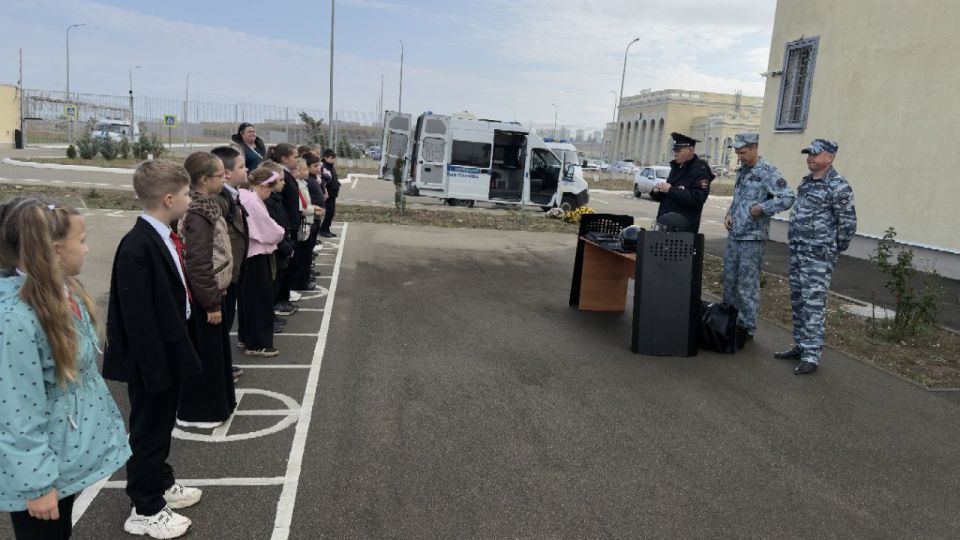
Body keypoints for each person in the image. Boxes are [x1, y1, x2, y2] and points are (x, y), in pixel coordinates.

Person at [0, 196, 131, 540]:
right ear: (55, 250)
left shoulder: (60, 293)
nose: (88, 250)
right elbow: (16, 411)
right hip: (41, 474)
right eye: (82, 241)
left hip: (63, 457)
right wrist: (36, 484)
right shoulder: (16, 318)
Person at [102, 160, 203, 538]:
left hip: (170, 347)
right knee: (147, 430)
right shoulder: (137, 247)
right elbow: (137, 320)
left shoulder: (163, 234)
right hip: (152, 359)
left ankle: (161, 483)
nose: (190, 200)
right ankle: (144, 506)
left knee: (162, 426)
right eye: (187, 194)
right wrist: (153, 369)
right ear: (168, 198)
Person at [774, 139, 857, 375]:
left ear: (829, 157)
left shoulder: (839, 186)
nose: (810, 157)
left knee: (814, 304)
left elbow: (848, 223)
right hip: (799, 252)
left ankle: (811, 355)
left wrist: (832, 249)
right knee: (799, 300)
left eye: (815, 154)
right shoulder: (807, 183)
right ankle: (800, 346)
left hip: (818, 256)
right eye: (808, 154)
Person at [176, 152, 236, 428]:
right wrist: (211, 303)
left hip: (212, 292)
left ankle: (216, 406)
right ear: (203, 179)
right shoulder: (198, 214)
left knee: (215, 354)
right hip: (205, 298)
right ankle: (199, 412)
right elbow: (198, 263)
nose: (225, 179)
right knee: (205, 356)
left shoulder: (207, 206)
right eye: (220, 175)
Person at [722, 133, 796, 344]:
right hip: (735, 235)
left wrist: (761, 209)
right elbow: (738, 198)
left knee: (747, 285)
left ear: (754, 148)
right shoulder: (743, 172)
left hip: (752, 239)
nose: (740, 157)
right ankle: (728, 322)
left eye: (743, 153)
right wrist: (729, 213)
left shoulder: (768, 172)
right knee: (729, 281)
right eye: (737, 153)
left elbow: (788, 197)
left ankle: (746, 329)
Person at [237, 167, 286, 357]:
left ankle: (246, 336)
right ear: (264, 187)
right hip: (255, 255)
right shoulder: (253, 202)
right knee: (260, 299)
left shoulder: (244, 195)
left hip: (247, 255)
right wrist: (281, 232)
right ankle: (258, 343)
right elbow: (270, 230)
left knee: (248, 300)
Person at [210, 146, 249, 382]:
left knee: (226, 322)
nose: (247, 170)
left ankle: (222, 363)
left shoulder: (230, 195)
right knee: (219, 325)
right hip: (222, 274)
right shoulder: (218, 201)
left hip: (231, 271)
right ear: (226, 173)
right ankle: (217, 369)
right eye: (242, 166)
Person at [650, 132, 714, 233]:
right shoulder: (677, 167)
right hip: (665, 225)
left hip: (682, 229)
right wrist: (657, 191)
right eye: (674, 150)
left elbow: (698, 198)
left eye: (678, 150)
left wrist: (670, 189)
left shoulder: (699, 169)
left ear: (691, 150)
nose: (675, 154)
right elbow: (669, 197)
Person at [268, 144, 303, 311]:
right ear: (284, 158)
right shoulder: (282, 176)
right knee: (281, 269)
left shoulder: (287, 175)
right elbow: (280, 205)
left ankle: (283, 298)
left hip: (289, 226)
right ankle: (278, 301)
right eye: (295, 157)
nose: (297, 160)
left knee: (286, 266)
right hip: (284, 228)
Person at [289, 157, 324, 291]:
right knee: (301, 255)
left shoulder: (303, 183)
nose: (307, 172)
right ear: (297, 170)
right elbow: (302, 207)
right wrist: (314, 209)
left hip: (308, 222)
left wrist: (313, 207)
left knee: (306, 254)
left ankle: (304, 279)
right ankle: (299, 282)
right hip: (303, 222)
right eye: (304, 169)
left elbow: (306, 203)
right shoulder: (296, 185)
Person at [317, 149, 340, 238]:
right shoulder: (325, 167)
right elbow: (325, 180)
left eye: (334, 158)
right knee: (329, 212)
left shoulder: (331, 167)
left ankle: (327, 229)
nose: (333, 159)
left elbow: (333, 178)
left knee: (332, 212)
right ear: (325, 158)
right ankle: (323, 229)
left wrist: (337, 184)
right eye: (331, 158)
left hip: (333, 193)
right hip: (328, 194)